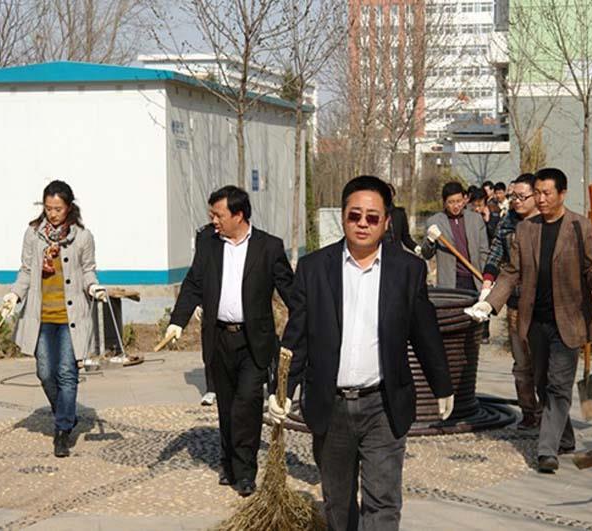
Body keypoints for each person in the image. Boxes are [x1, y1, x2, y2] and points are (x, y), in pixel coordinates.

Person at [268, 175, 453, 530]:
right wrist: (283, 389)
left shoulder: (408, 270)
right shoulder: (313, 268)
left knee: (383, 501)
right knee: (338, 503)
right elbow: (297, 335)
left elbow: (424, 331)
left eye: (372, 217)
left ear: (386, 221)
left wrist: (442, 384)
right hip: (330, 404)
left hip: (383, 403)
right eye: (355, 216)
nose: (363, 224)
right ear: (343, 217)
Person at [467, 168, 592, 473]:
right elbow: (511, 273)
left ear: (562, 193)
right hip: (535, 320)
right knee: (543, 384)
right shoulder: (526, 229)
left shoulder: (580, 226)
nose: (541, 199)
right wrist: (490, 303)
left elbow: (590, 268)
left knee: (559, 384)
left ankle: (547, 450)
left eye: (547, 193)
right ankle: (565, 437)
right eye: (538, 193)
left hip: (569, 320)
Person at [163, 185, 294, 496]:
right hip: (219, 338)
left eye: (218, 215)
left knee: (247, 404)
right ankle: (228, 462)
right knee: (226, 405)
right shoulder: (208, 243)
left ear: (239, 215)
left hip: (253, 341)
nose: (213, 220)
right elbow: (193, 283)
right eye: (212, 214)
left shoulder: (268, 247)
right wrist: (177, 321)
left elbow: (291, 292)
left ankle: (245, 472)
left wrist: (305, 327)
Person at [1, 180, 106, 457]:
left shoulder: (82, 237)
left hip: (71, 317)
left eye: (58, 209)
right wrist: (14, 295)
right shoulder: (33, 234)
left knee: (67, 372)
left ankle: (62, 430)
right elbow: (26, 270)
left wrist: (93, 287)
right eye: (48, 208)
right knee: (45, 372)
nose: (53, 214)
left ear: (69, 207)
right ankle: (66, 413)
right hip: (41, 316)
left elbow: (88, 270)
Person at [481, 173, 541, 430]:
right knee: (522, 363)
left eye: (521, 196)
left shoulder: (546, 222)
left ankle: (550, 415)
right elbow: (496, 252)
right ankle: (529, 411)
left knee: (544, 364)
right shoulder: (508, 222)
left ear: (536, 196)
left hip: (543, 304)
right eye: (513, 196)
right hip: (516, 302)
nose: (516, 201)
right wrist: (487, 283)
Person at [421, 182, 488, 292]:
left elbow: (484, 251)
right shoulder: (434, 222)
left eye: (458, 201)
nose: (456, 206)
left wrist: (486, 278)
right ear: (444, 203)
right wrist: (430, 240)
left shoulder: (476, 219)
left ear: (464, 200)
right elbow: (426, 254)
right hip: (450, 282)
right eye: (451, 202)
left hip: (475, 278)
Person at [384, 183, 418, 253]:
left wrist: (417, 248)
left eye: (390, 192)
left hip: (397, 252)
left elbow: (405, 238)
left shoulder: (400, 214)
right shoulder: (375, 214)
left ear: (393, 195)